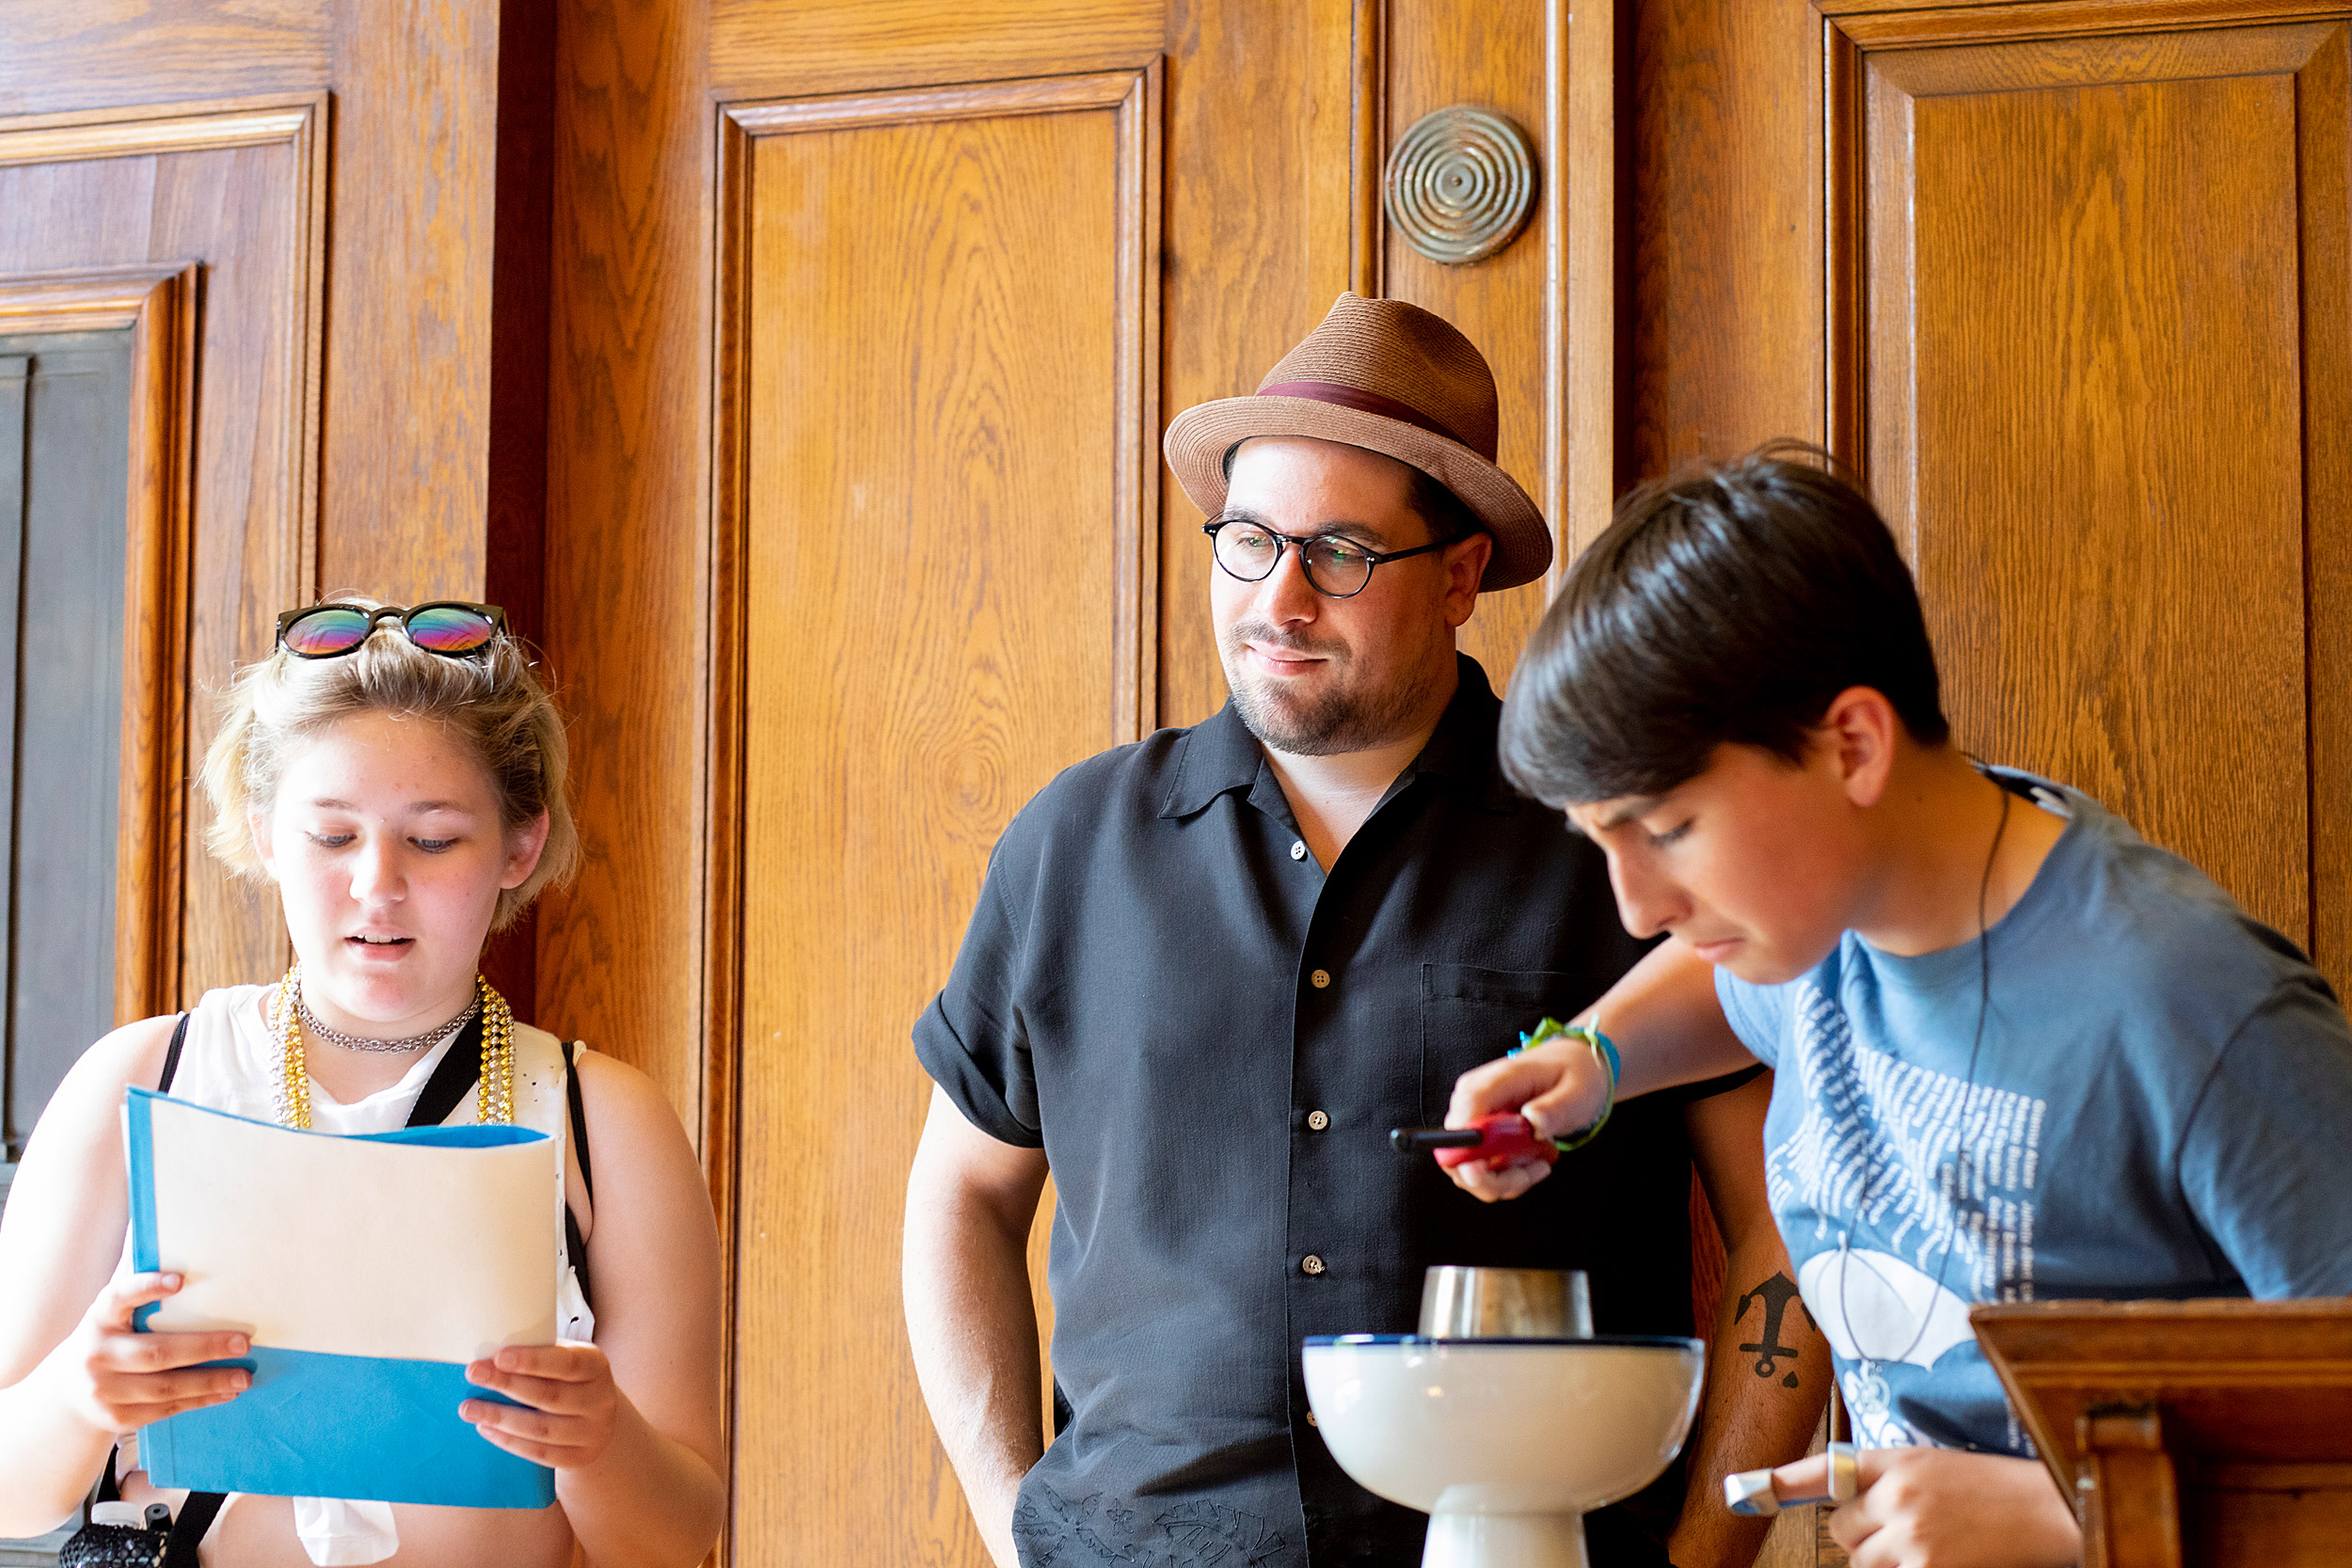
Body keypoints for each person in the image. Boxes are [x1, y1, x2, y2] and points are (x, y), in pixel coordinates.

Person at [904, 294, 1824, 1568]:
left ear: (1457, 576)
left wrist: (1701, 1558)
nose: (1279, 596)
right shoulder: (1073, 844)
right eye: (1247, 540)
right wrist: (1016, 1524)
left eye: (1339, 550)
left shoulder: (1607, 841)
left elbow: (1790, 1212)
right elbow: (960, 1189)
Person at [1447, 447, 2352, 1568]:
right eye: (1602, 845)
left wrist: (2073, 1521)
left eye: (1668, 828)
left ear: (1852, 745)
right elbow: (1731, 988)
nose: (1637, 909)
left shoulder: (2194, 1009)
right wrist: (1594, 1057)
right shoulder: (1819, 922)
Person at [0, 599, 725, 1567]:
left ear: (519, 844)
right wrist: (81, 1394)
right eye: (332, 836)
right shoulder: (140, 1076)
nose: (376, 883)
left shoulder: (607, 1120)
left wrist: (599, 1438)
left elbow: (673, 1542)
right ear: (265, 834)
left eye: (432, 841)